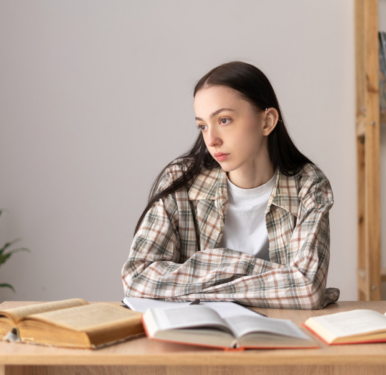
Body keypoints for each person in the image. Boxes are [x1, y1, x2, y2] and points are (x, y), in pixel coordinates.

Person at [121, 61, 340, 309]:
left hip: (282, 335)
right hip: (199, 336)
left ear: (267, 121)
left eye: (224, 120)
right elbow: (137, 277)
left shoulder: (309, 186)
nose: (211, 140)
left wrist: (202, 273)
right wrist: (273, 276)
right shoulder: (179, 180)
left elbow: (306, 289)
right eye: (202, 126)